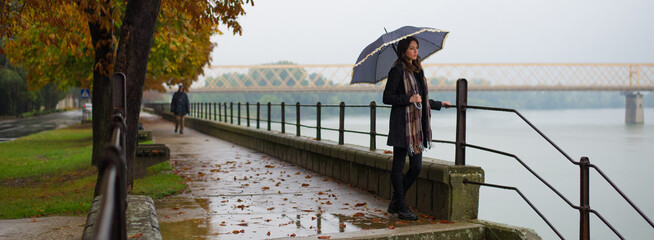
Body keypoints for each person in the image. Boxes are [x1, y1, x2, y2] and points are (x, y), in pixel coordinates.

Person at [382, 36, 450, 220]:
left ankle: (396, 202)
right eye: (412, 48)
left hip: (416, 126)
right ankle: (402, 207)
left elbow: (422, 98)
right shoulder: (397, 70)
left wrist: (439, 104)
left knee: (416, 167)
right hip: (401, 125)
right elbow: (387, 97)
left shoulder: (418, 70)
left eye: (417, 48)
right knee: (398, 165)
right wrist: (408, 99)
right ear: (403, 51)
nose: (415, 51)